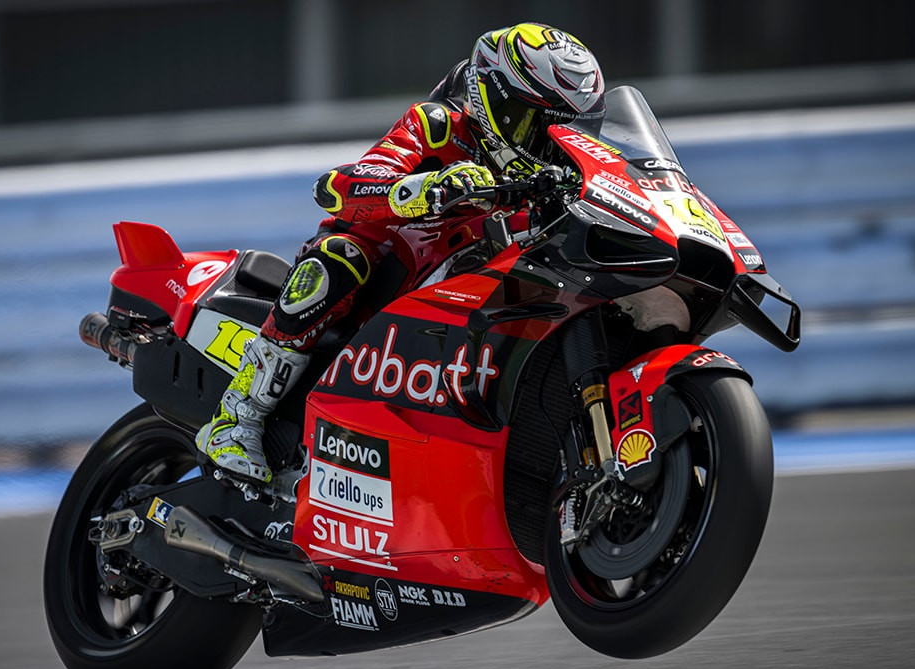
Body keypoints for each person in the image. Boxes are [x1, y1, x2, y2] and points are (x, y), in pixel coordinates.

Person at [197, 22, 607, 484]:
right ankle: (238, 417)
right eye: (537, 123)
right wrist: (422, 190)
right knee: (340, 260)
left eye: (566, 130)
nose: (549, 143)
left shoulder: (553, 185)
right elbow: (337, 187)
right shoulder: (437, 127)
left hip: (462, 308)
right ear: (496, 99)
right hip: (386, 275)